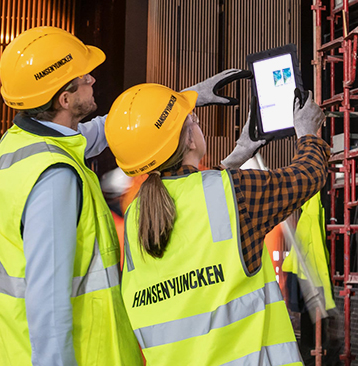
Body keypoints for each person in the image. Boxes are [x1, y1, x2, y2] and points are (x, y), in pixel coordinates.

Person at [0, 26, 249, 365]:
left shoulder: (22, 143)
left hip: (14, 346)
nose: (92, 79)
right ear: (65, 99)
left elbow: (104, 131)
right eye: (83, 77)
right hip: (81, 353)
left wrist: (178, 103)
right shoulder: (53, 178)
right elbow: (47, 301)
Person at [105, 83, 330, 365]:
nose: (199, 126)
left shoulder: (137, 212)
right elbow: (309, 175)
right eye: (195, 121)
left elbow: (194, 197)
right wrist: (308, 131)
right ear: (189, 141)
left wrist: (239, 154)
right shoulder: (234, 193)